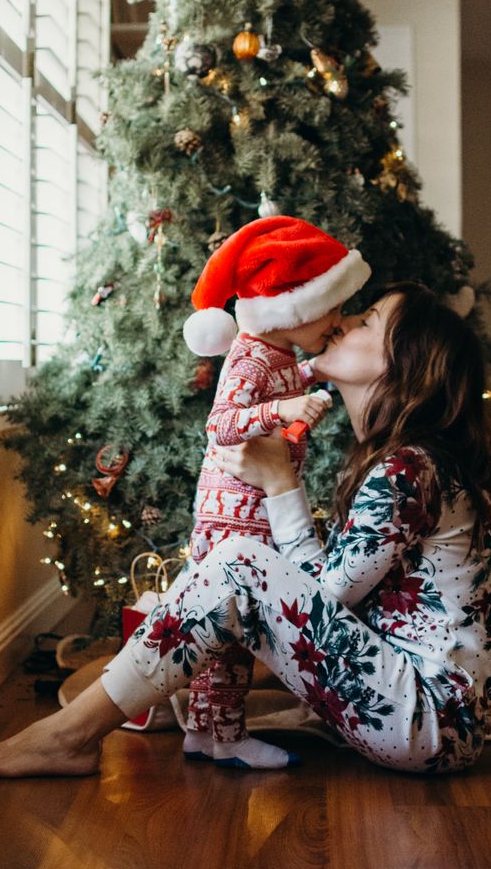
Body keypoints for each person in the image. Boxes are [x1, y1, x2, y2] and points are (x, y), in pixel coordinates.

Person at [0, 282, 491, 779]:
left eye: (368, 321)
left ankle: (71, 734)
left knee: (239, 561)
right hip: (401, 708)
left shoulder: (411, 469)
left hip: (430, 722)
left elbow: (326, 597)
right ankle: (173, 711)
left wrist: (279, 483)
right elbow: (326, 600)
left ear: (404, 363)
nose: (344, 321)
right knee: (238, 565)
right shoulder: (391, 461)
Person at [180, 215, 370, 769]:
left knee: (225, 629)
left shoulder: (281, 357)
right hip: (235, 513)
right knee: (231, 630)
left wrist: (313, 376)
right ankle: (227, 736)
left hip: (257, 504)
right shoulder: (248, 355)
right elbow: (221, 424)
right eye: (329, 308)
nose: (336, 320)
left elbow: (298, 374)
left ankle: (202, 731)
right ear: (292, 310)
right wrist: (281, 410)